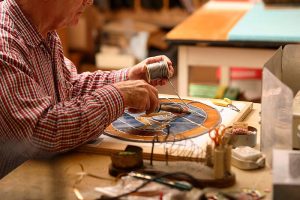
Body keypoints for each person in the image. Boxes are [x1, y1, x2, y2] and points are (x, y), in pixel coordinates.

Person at [0, 0, 174, 178]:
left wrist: (127, 77)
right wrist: (120, 94)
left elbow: (69, 88)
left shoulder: (45, 34)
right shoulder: (4, 45)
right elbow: (42, 131)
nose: (89, 2)